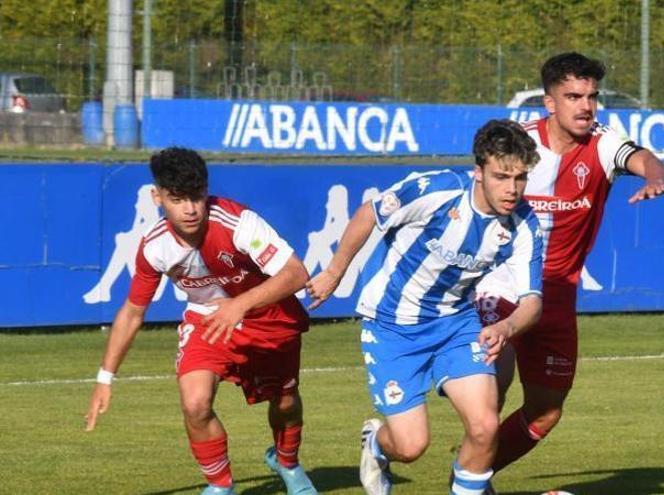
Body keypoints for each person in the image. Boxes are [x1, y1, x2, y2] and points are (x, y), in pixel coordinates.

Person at [306, 119, 545, 495]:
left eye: (520, 178)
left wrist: (505, 328)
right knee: (411, 446)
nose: (512, 189)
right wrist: (335, 272)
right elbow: (370, 213)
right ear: (478, 172)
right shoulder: (436, 190)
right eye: (502, 176)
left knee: (484, 427)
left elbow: (532, 302)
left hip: (457, 323)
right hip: (391, 327)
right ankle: (375, 443)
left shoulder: (524, 224)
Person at [475, 52, 664, 476]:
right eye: (574, 96)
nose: (586, 106)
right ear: (549, 102)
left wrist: (657, 178)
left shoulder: (603, 144)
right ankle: (467, 483)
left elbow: (644, 158)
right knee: (492, 390)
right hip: (502, 284)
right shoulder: (517, 145)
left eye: (592, 96)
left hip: (557, 294)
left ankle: (472, 474)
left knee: (545, 413)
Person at [84, 147, 318, 495]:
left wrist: (240, 305)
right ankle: (220, 486)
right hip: (207, 321)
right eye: (178, 199)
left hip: (267, 317)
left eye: (196, 197)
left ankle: (287, 463)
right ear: (157, 197)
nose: (191, 209)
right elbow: (133, 311)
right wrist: (105, 378)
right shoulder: (155, 247)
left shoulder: (239, 223)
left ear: (206, 190)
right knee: (195, 403)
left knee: (285, 403)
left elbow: (296, 273)